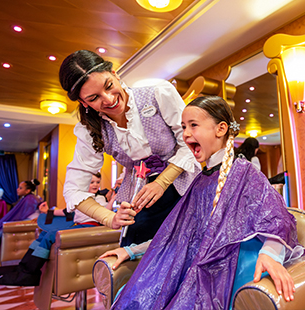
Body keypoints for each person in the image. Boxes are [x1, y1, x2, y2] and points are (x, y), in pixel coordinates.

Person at [107, 96, 303, 309]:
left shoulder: (245, 173)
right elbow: (175, 235)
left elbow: (276, 220)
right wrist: (132, 251)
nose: (186, 134)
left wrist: (270, 255)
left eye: (193, 125)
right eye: (183, 127)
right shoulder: (200, 181)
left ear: (220, 129)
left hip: (228, 270)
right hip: (195, 267)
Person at [59, 50, 201, 247]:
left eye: (109, 86)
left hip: (185, 184)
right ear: (84, 103)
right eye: (94, 98)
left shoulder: (158, 93)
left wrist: (161, 182)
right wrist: (110, 218)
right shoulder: (90, 129)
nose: (108, 99)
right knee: (140, 252)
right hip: (142, 199)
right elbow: (73, 189)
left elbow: (191, 142)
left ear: (115, 74)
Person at [0, 173, 116, 286]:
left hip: (91, 227)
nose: (95, 185)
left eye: (97, 182)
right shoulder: (80, 197)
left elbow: (106, 213)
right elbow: (66, 212)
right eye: (91, 182)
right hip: (79, 225)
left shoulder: (100, 198)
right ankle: (23, 266)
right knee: (44, 234)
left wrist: (111, 200)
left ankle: (31, 272)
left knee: (52, 234)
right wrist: (47, 211)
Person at [0, 179, 42, 257]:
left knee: (0, 232)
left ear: (27, 191)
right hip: (26, 221)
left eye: (20, 188)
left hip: (28, 223)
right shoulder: (27, 198)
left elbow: (24, 215)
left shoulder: (31, 199)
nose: (17, 189)